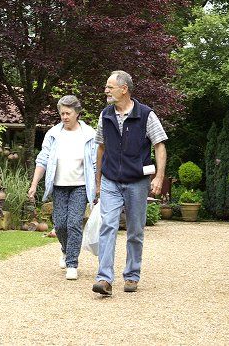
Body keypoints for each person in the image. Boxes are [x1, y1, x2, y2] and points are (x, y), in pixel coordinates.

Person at [92, 70, 167, 296]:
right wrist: (98, 179)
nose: (106, 90)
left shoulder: (146, 115)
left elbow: (160, 145)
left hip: (137, 181)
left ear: (124, 89)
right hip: (111, 180)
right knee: (108, 226)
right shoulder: (105, 115)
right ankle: (104, 278)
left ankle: (132, 274)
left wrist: (159, 178)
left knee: (135, 230)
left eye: (110, 86)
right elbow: (101, 147)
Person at [28, 95, 96, 281]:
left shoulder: (89, 134)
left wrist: (98, 186)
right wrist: (34, 184)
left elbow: (97, 163)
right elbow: (42, 160)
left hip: (80, 186)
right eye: (62, 113)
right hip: (58, 186)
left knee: (74, 223)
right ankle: (66, 250)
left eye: (68, 113)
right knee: (60, 224)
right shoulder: (53, 134)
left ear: (77, 113)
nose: (65, 116)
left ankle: (72, 263)